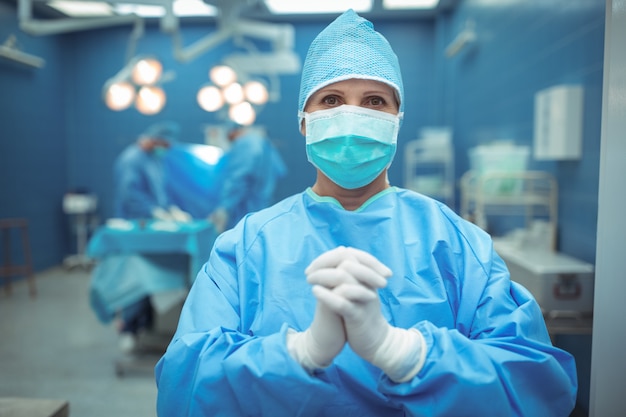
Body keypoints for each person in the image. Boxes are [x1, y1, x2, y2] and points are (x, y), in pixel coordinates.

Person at [155, 9, 577, 416]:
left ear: (397, 120)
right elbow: (184, 383)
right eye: (332, 99)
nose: (352, 116)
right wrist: (299, 354)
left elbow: (536, 385)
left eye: (375, 101)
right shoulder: (248, 246)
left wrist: (406, 355)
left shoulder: (455, 243)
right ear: (304, 120)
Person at [210, 124, 287, 233]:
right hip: (262, 208)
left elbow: (238, 178)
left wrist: (224, 208)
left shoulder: (246, 144)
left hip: (245, 212)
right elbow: (280, 171)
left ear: (232, 132)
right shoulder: (263, 143)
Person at [113, 121, 191, 222]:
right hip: (134, 222)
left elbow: (160, 191)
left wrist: (171, 209)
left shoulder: (155, 160)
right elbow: (130, 194)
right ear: (153, 140)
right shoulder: (131, 159)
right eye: (164, 145)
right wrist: (153, 211)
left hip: (153, 222)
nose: (165, 149)